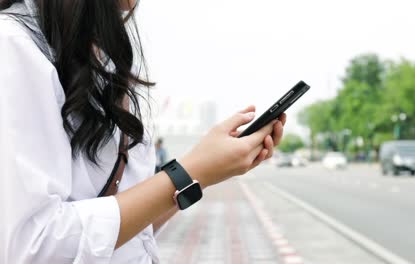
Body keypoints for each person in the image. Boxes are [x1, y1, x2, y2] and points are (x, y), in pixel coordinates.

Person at [0, 0, 287, 263]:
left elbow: (132, 235)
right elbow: (32, 246)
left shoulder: (102, 59)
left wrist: (205, 172)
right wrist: (188, 171)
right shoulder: (13, 47)